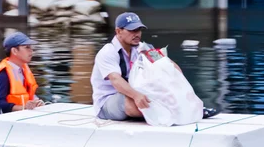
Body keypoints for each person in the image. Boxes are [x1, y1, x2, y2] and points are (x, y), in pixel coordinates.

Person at [90, 12, 219, 121]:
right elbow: (116, 80)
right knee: (131, 103)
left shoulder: (141, 48)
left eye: (139, 30)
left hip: (134, 93)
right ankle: (175, 115)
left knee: (163, 83)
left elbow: (167, 63)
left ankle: (192, 109)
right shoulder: (108, 52)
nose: (137, 34)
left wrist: (180, 84)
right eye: (132, 30)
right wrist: (136, 95)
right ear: (118, 31)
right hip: (108, 102)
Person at [0, 32, 45, 117]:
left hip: (20, 117)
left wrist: (37, 102)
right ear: (14, 51)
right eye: (27, 47)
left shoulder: (24, 70)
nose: (31, 50)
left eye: (31, 47)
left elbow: (29, 94)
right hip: (0, 122)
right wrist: (23, 108)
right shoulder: (3, 74)